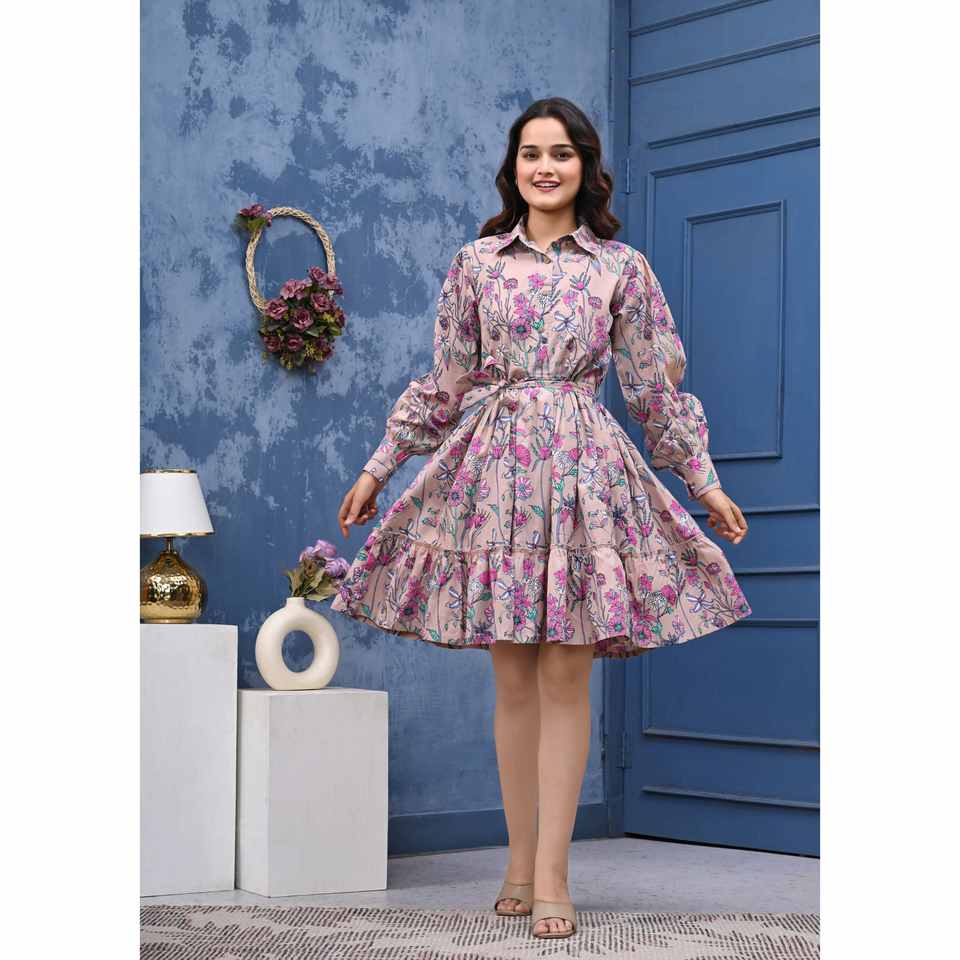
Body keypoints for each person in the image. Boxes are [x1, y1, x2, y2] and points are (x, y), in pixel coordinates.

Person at [331, 96, 751, 941]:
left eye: (561, 153)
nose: (545, 167)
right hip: (493, 477)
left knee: (566, 673)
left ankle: (554, 873)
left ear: (585, 167)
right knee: (513, 678)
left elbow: (653, 389)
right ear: (513, 167)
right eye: (531, 153)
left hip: (583, 478)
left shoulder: (620, 268)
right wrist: (380, 466)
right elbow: (446, 383)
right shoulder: (477, 264)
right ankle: (518, 865)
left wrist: (703, 483)